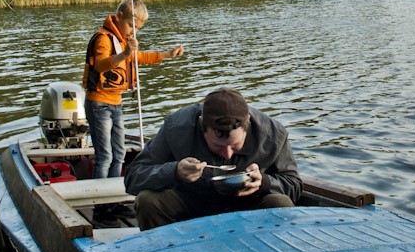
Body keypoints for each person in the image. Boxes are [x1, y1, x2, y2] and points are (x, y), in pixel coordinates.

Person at [124, 88, 302, 230]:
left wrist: (263, 182)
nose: (227, 154)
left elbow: (294, 185)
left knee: (280, 203)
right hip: (191, 203)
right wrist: (174, 171)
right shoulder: (176, 127)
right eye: (217, 146)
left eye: (235, 146)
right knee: (148, 201)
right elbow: (133, 178)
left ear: (247, 123)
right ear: (202, 125)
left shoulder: (273, 134)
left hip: (247, 205)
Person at [83, 0, 183, 227]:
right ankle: (100, 206)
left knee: (119, 153)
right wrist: (124, 54)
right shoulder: (103, 38)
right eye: (131, 26)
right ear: (118, 18)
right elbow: (100, 64)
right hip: (99, 103)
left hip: (116, 103)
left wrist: (167, 54)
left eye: (137, 29)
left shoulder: (123, 40)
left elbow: (139, 58)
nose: (133, 32)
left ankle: (114, 201)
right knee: (104, 155)